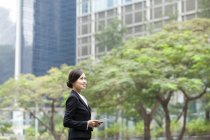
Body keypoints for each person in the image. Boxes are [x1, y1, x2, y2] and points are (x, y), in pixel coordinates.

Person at [63, 69, 102, 140]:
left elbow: (81, 119)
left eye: (85, 79)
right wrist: (87, 124)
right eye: (81, 79)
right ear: (73, 81)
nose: (84, 81)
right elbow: (66, 122)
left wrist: (91, 124)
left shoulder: (82, 98)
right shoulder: (73, 97)